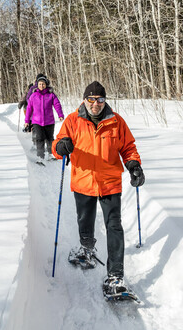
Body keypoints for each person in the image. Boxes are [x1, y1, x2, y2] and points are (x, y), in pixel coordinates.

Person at [52, 81, 145, 298]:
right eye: (92, 99)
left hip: (110, 183)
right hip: (84, 181)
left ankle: (115, 276)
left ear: (105, 101)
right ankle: (86, 249)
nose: (96, 104)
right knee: (85, 220)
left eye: (100, 99)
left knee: (114, 226)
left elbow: (128, 147)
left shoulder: (116, 121)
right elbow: (57, 146)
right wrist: (61, 147)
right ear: (85, 100)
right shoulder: (73, 120)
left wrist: (134, 165)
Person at [24, 74, 64, 163]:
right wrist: (27, 121)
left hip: (49, 121)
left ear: (46, 84)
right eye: (40, 84)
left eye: (43, 84)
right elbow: (29, 108)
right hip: (37, 122)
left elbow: (57, 104)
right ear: (37, 85)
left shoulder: (51, 95)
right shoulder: (33, 96)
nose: (41, 86)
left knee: (50, 138)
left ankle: (50, 154)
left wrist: (60, 114)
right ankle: (40, 157)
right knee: (40, 138)